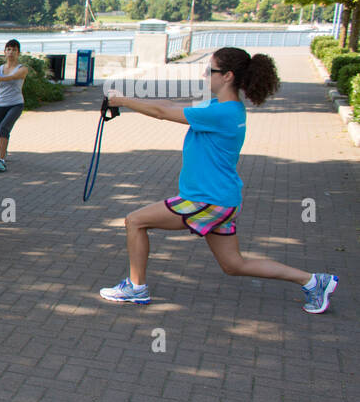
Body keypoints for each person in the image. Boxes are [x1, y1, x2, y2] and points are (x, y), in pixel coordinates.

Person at [99, 48, 338, 312]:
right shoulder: (222, 108)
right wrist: (124, 98)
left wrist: (120, 100)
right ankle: (314, 282)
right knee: (234, 265)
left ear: (227, 76)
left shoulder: (222, 114)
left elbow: (160, 113)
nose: (204, 74)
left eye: (210, 70)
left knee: (135, 221)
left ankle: (136, 287)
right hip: (223, 200)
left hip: (206, 200)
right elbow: (168, 107)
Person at [0, 39, 29, 172]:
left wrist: (1, 79)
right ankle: (3, 150)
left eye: (14, 50)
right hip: (0, 103)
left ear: (18, 53)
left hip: (16, 104)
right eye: (9, 49)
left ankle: (1, 161)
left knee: (4, 128)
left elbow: (14, 77)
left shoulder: (22, 69)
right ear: (5, 52)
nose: (11, 52)